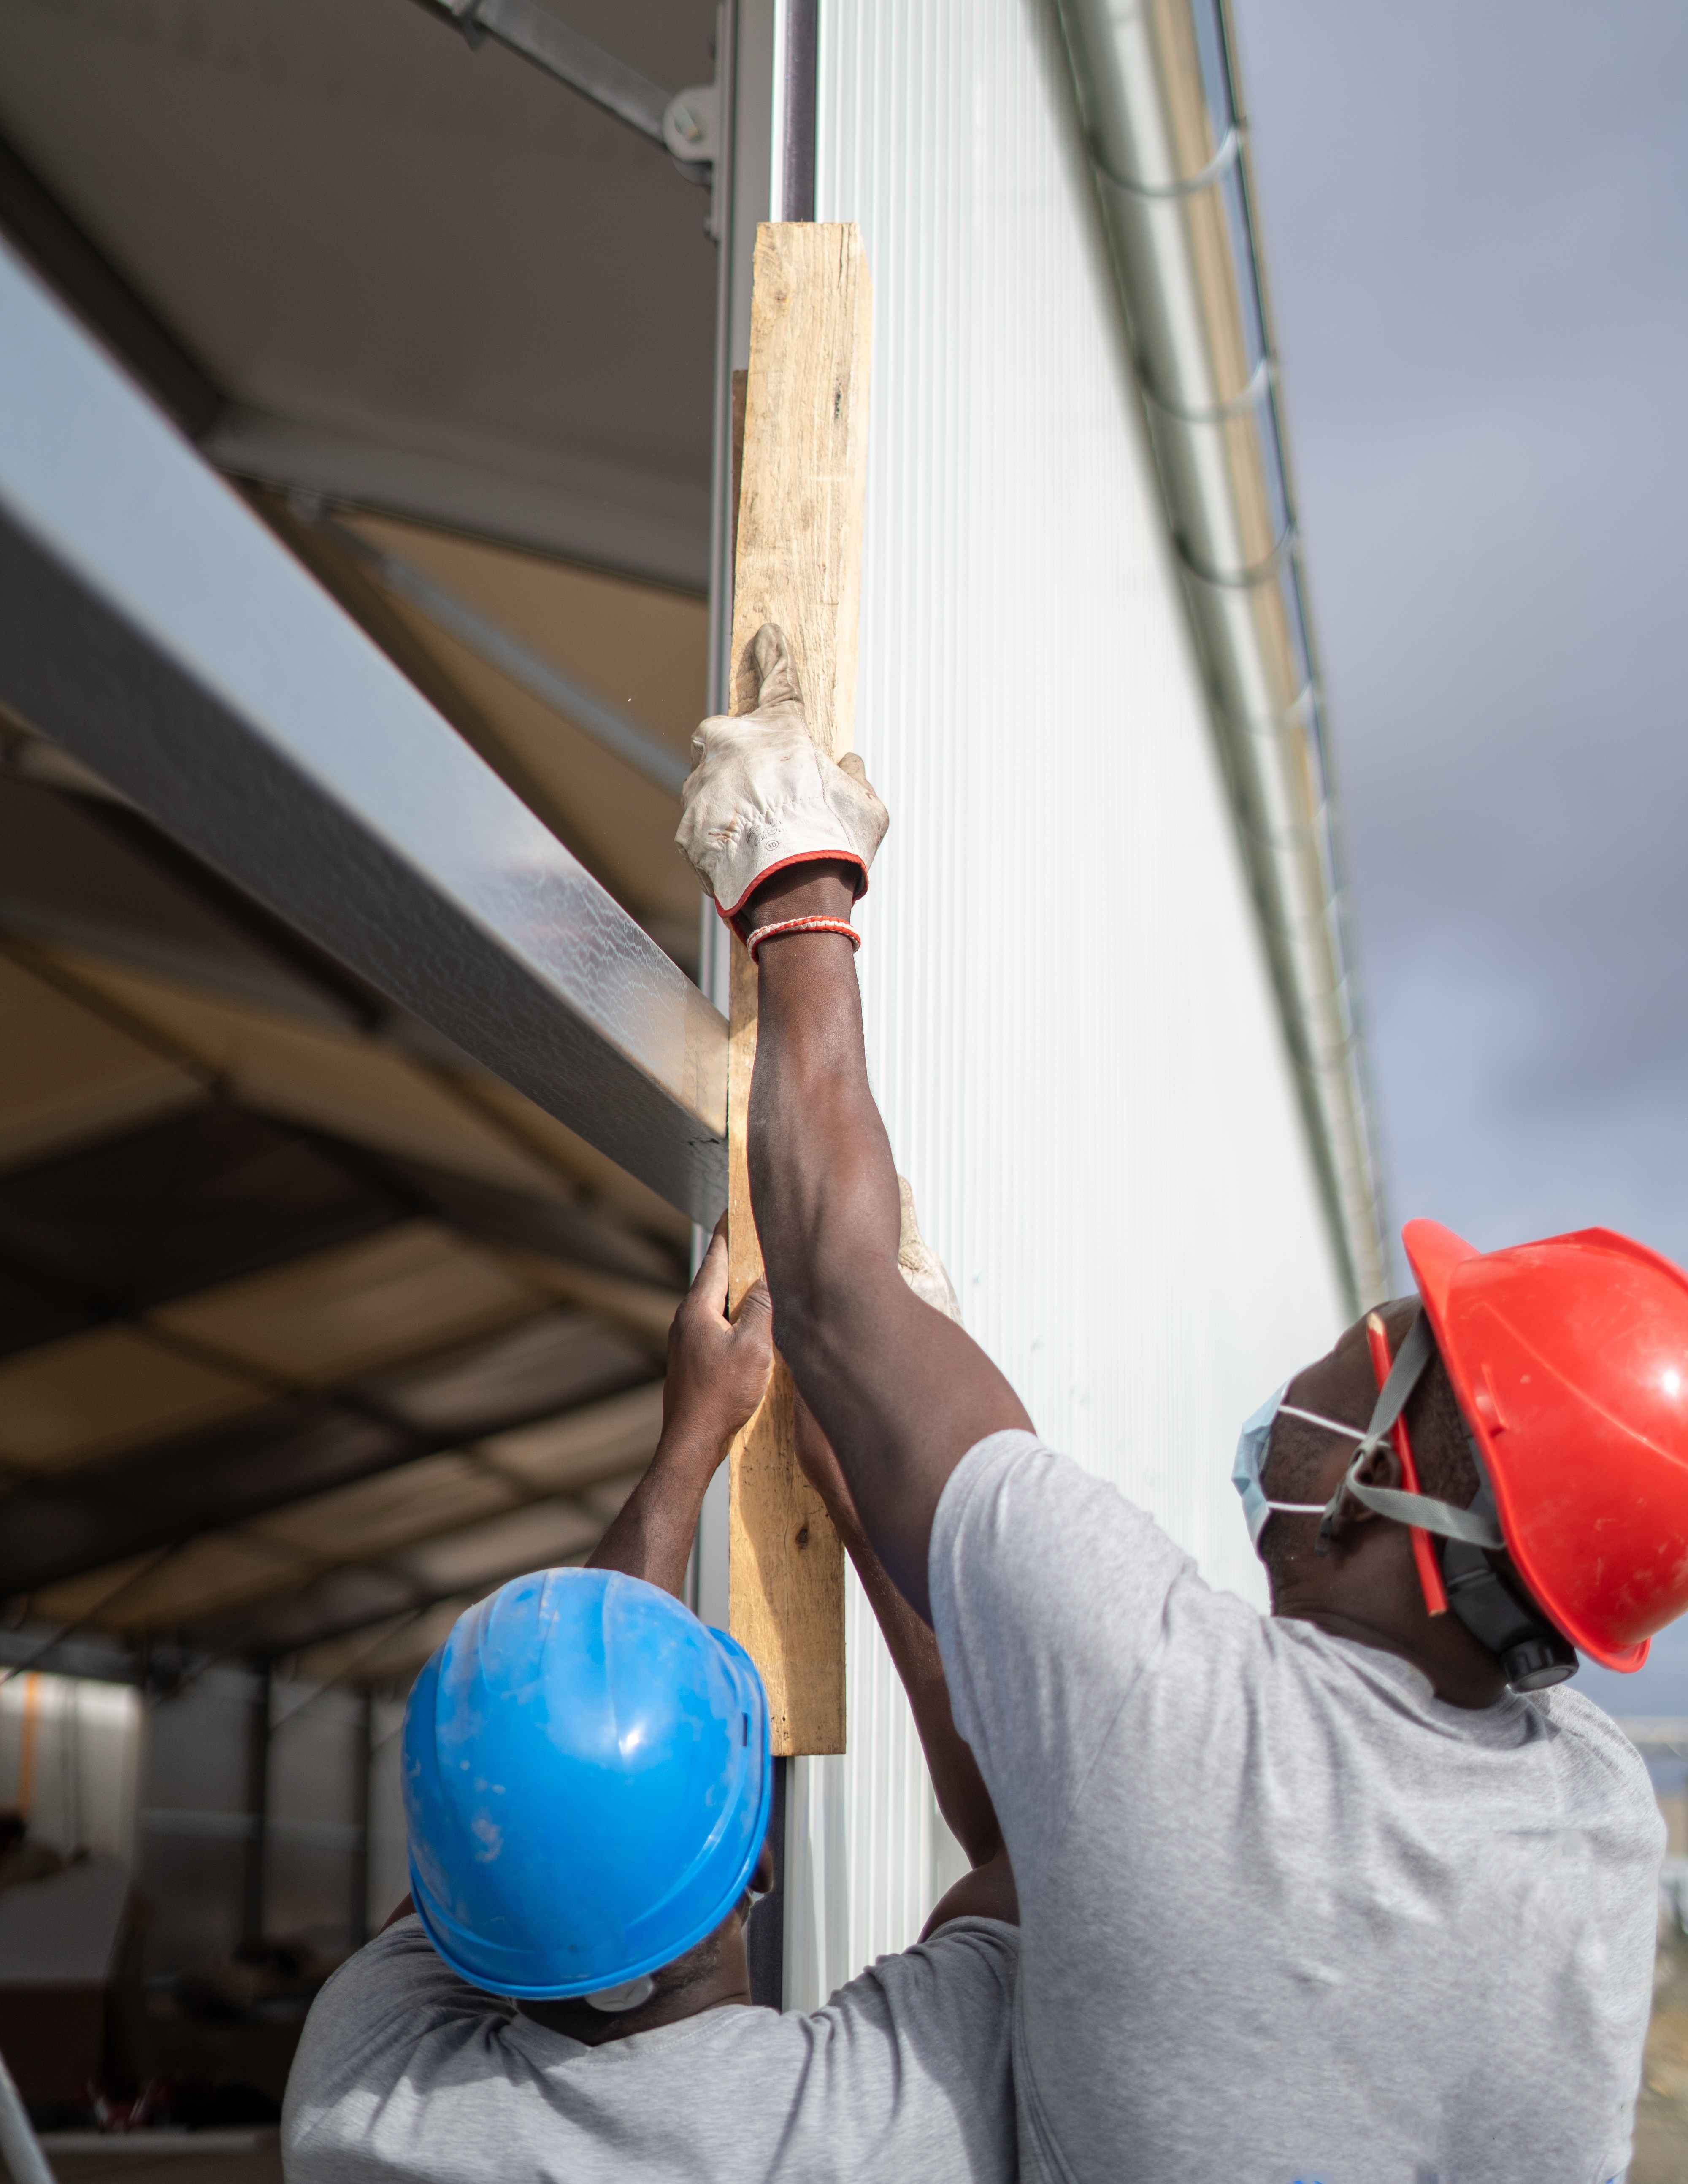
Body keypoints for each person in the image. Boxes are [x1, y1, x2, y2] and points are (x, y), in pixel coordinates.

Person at [674, 624, 1688, 2184]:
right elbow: (1074, 1811)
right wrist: (882, 1498)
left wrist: (796, 880)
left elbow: (834, 1284)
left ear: (1402, 1476)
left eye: (1397, 1328)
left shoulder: (1176, 1703)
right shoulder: (1603, 1830)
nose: (1356, 1327)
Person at [283, 1223, 1019, 2184]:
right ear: (757, 1859)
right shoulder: (873, 2116)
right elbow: (1033, 1857)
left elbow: (521, 1775)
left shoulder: (364, 2108)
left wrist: (690, 1440)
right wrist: (861, 1498)